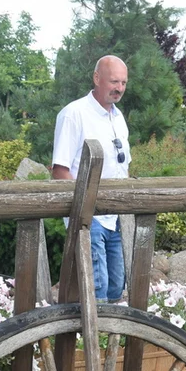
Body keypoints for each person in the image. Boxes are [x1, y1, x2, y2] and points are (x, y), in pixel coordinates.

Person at [52, 55, 131, 303]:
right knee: (96, 292)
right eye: (114, 81)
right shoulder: (73, 114)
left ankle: (110, 340)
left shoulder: (118, 117)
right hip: (89, 218)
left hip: (116, 216)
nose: (119, 88)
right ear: (97, 78)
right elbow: (60, 171)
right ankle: (90, 340)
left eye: (124, 83)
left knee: (117, 289)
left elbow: (123, 166)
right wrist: (80, 214)